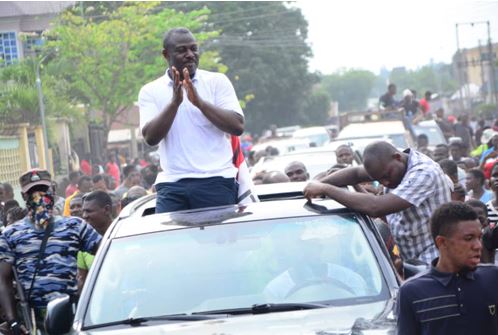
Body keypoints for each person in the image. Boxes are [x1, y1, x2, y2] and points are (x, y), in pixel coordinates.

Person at [138, 27, 244, 213]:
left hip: (216, 180)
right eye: (181, 50)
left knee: (217, 242)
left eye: (194, 49)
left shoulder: (217, 81)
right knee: (167, 242)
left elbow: (237, 126)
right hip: (172, 185)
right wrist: (174, 103)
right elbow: (150, 138)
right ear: (166, 54)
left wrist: (200, 103)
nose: (190, 54)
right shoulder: (150, 91)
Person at [304, 141, 452, 264]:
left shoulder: (424, 172)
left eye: (387, 176)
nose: (385, 183)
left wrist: (325, 188)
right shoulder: (389, 162)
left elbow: (376, 207)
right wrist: (315, 185)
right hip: (409, 259)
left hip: (433, 260)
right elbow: (355, 173)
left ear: (397, 157)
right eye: (379, 179)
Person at [0, 169, 101, 333]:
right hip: (33, 320)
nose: (38, 196)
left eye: (43, 190)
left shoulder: (75, 226)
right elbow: (2, 279)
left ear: (53, 192)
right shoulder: (11, 234)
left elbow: (106, 257)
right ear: (24, 196)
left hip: (72, 316)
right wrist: (13, 321)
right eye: (32, 192)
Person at [396, 202, 498, 335]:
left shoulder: (492, 278)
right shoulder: (411, 291)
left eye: (479, 237)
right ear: (442, 242)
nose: (478, 246)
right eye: (469, 238)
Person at [78, 191, 113, 292]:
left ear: (106, 210)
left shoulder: (123, 235)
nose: (84, 216)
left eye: (89, 211)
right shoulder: (83, 244)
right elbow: (82, 281)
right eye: (83, 211)